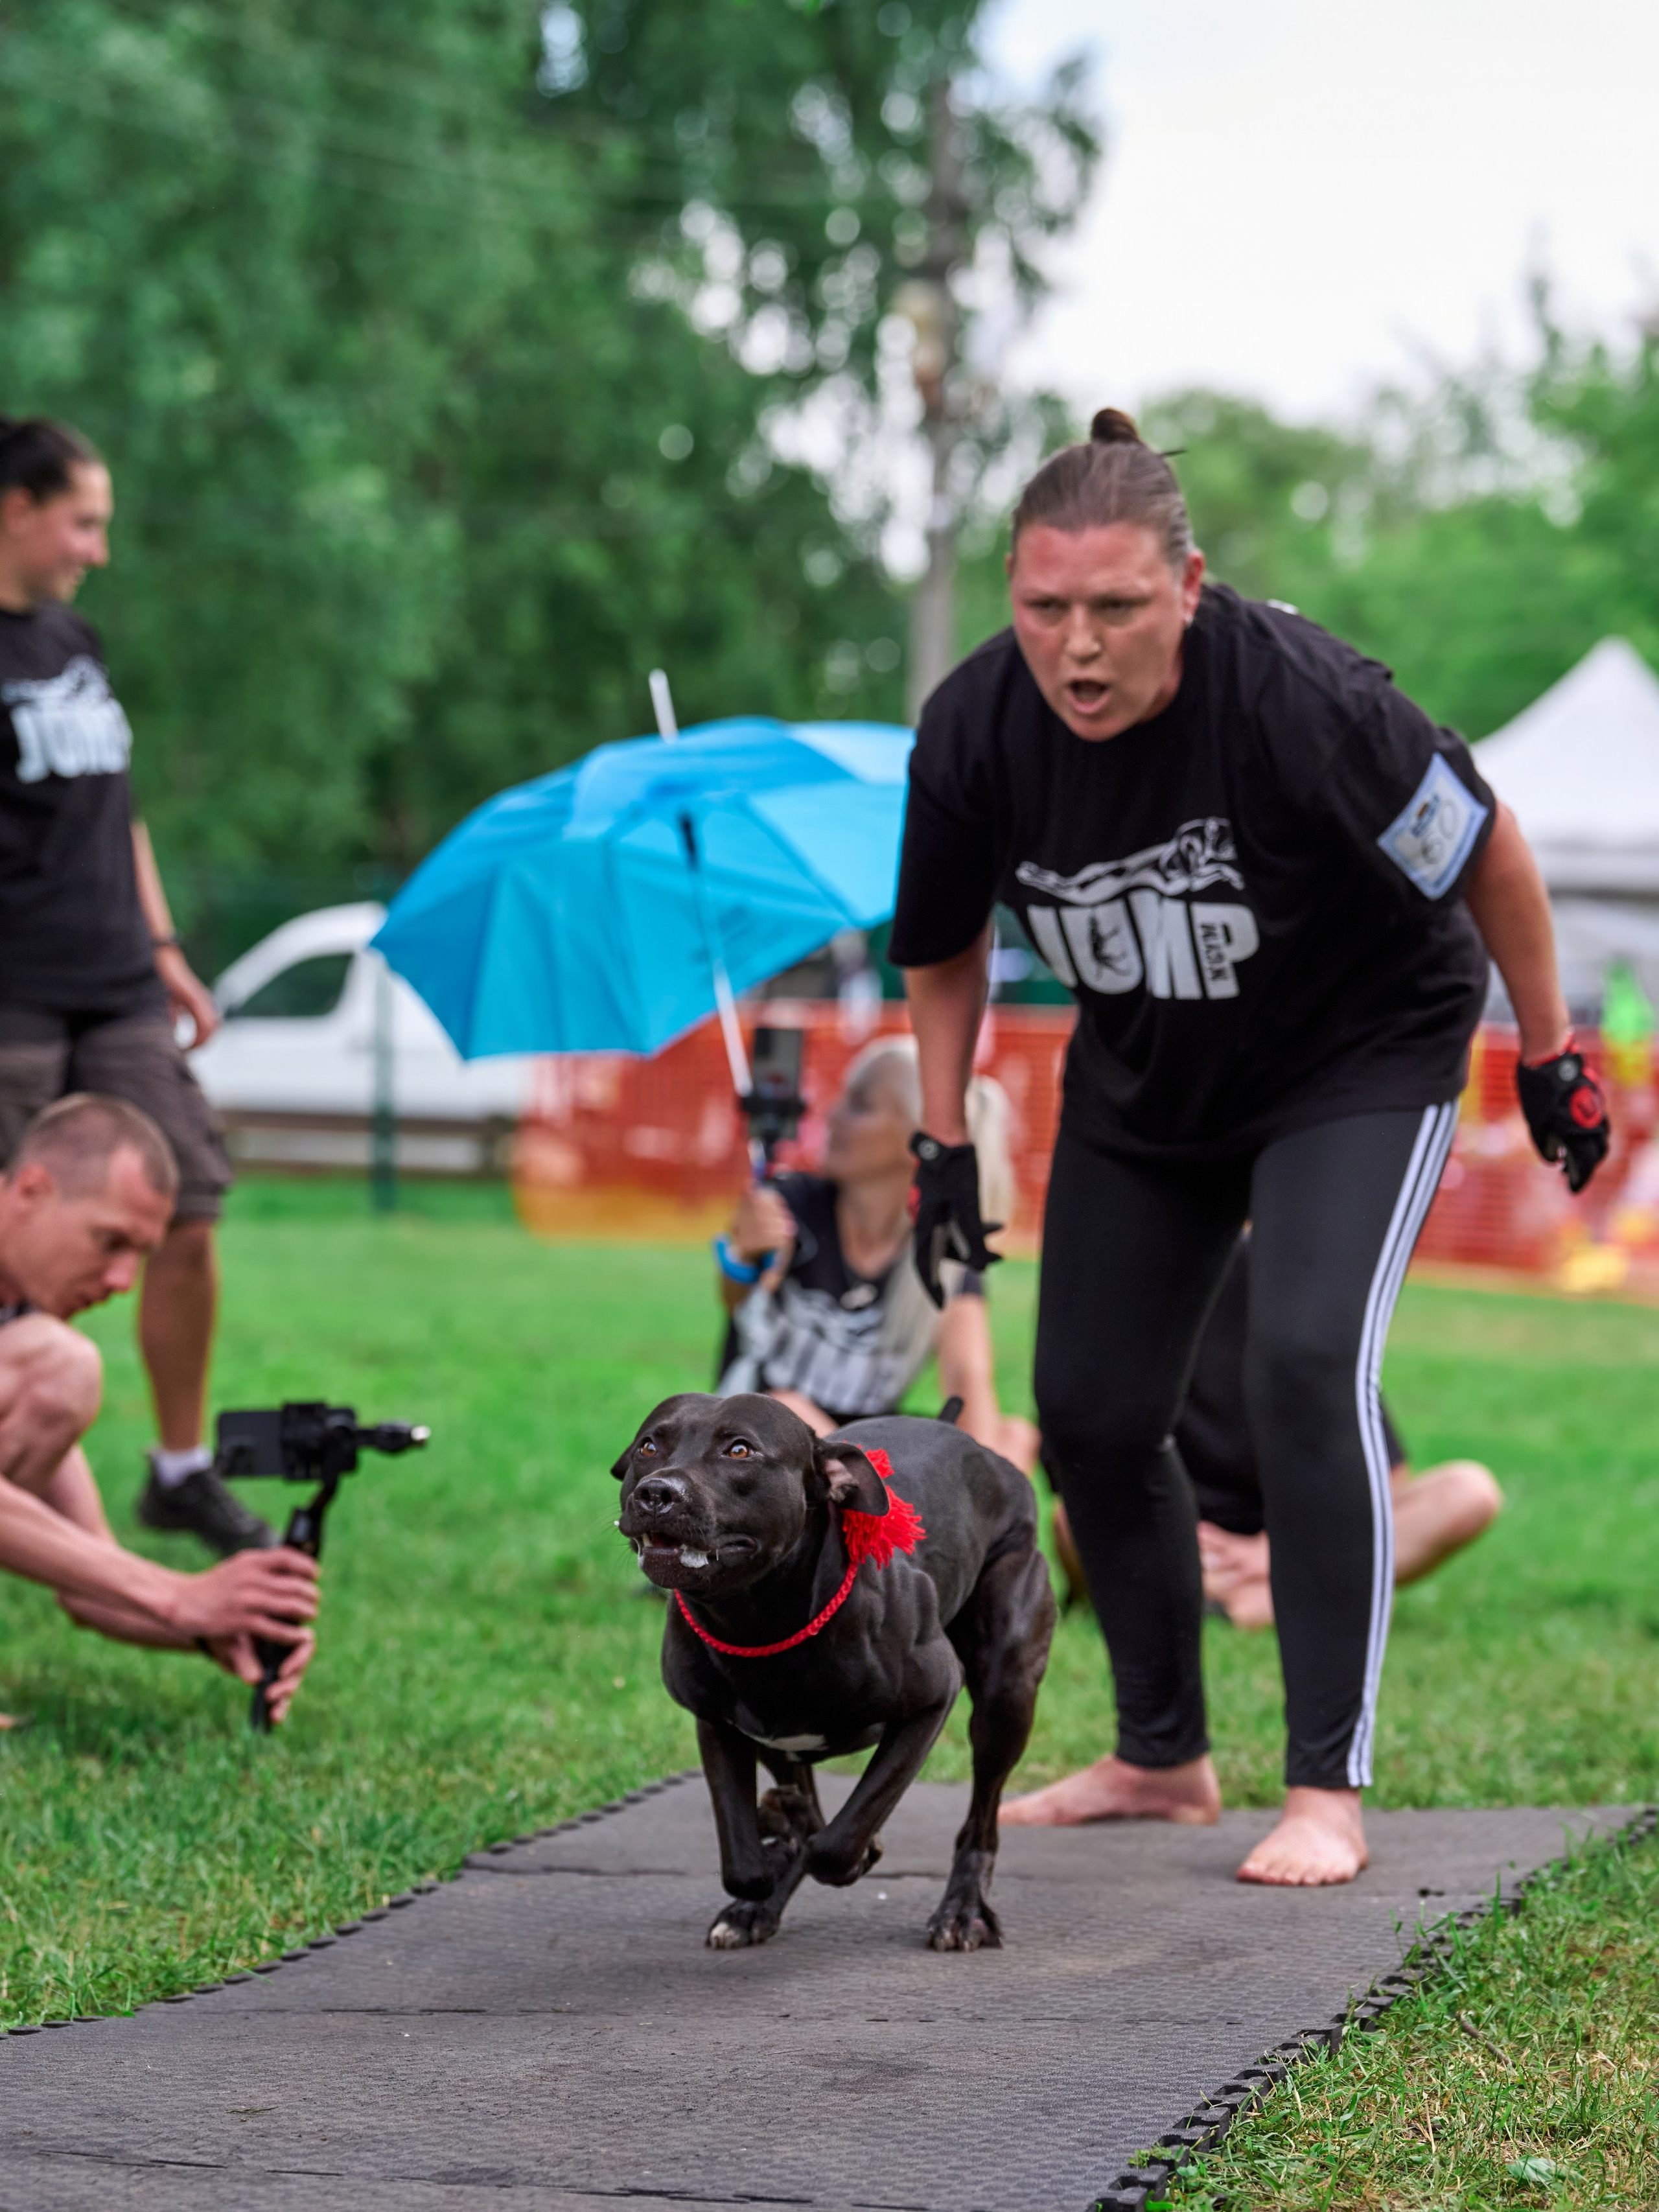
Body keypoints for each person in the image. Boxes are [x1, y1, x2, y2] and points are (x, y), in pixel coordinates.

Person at [888, 409, 1607, 1886]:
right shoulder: (974, 727)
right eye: (1042, 608)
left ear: (1187, 586)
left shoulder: (1297, 699)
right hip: (1148, 1080)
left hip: (1356, 1053)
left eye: (1113, 608)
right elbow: (943, 946)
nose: (1075, 646)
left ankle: (1323, 1787)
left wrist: (1545, 1053)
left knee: (1295, 1359)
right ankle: (1159, 1756)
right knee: (1085, 1408)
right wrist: (937, 1137)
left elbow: (1486, 850)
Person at [0, 414, 264, 1556]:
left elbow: (121, 803)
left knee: (186, 1208)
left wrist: (161, 947)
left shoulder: (77, 639)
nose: (96, 546)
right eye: (82, 520)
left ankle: (177, 1465)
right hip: (12, 990)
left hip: (116, 982)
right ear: (16, 508)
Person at [0, 1093, 318, 1726]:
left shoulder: (20, 1317)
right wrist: (177, 1594)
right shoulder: (34, 1358)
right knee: (61, 1367)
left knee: (56, 1366)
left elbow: (87, 1574)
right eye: (109, 1240)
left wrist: (219, 1622)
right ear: (32, 1190)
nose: (123, 1279)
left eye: (139, 1253)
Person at [1050, 1233, 1503, 1627]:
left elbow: (1384, 1481)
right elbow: (1080, 1475)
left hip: (1298, 1543)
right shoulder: (1113, 1301)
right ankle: (1265, 1603)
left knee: (1468, 1491)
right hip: (1173, 1538)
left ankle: (1247, 1600)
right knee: (1074, 1522)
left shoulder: (1295, 1309)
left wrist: (1271, 1552)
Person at [714, 1037, 1038, 1473]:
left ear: (917, 1139)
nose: (831, 1114)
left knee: (1013, 1438)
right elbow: (737, 1301)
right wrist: (742, 1254)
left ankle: (913, 1516)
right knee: (788, 1407)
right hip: (755, 1448)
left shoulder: (942, 1250)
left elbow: (968, 1380)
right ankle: (893, 1514)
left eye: (860, 1105)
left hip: (861, 1451)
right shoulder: (792, 1206)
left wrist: (983, 1483)